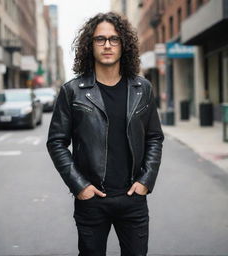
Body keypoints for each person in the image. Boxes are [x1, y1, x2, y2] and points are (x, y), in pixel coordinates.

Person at [47, 12, 164, 256]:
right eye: (100, 39)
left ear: (124, 45)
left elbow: (154, 137)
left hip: (132, 199)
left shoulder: (142, 88)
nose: (108, 45)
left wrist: (146, 181)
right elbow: (57, 142)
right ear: (90, 45)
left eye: (114, 39)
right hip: (92, 200)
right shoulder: (72, 91)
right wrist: (80, 186)